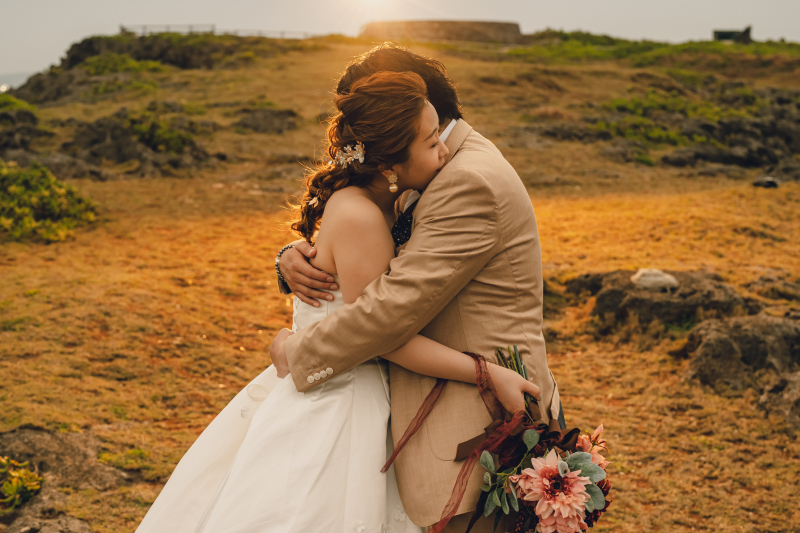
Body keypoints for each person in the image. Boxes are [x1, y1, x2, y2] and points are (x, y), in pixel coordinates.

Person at [134, 70, 540, 533]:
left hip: (360, 387)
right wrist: (485, 372)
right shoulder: (364, 216)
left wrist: (289, 257)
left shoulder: (396, 198)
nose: (445, 151)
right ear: (388, 164)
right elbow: (384, 331)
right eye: (431, 143)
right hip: (341, 401)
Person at [271, 45, 564, 533]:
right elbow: (365, 242)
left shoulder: (461, 178)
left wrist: (298, 353)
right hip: (401, 401)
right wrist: (291, 258)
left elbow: (386, 310)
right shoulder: (421, 168)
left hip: (481, 419)